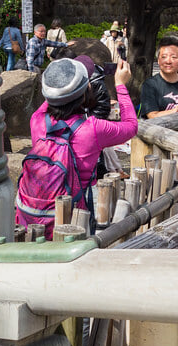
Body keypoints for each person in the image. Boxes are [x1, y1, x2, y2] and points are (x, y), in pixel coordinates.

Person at [15, 58, 137, 236]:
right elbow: (131, 125)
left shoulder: (37, 120)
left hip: (33, 219)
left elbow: (51, 98)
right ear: (86, 90)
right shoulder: (93, 129)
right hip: (74, 219)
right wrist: (120, 85)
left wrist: (63, 75)